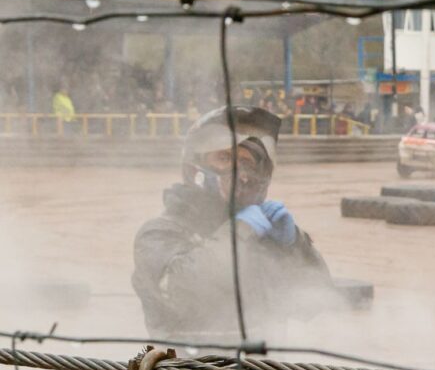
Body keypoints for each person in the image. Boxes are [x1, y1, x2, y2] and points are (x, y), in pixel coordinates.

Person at [131, 105, 336, 345]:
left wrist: (295, 245)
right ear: (195, 166)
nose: (239, 172)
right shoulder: (159, 233)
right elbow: (182, 290)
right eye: (224, 157)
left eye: (246, 161)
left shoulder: (265, 236)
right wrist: (238, 233)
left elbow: (315, 302)